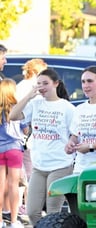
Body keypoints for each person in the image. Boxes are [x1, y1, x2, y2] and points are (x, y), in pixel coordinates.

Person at [9, 69, 75, 226]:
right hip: (39, 166)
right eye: (38, 84)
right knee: (32, 212)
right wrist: (28, 96)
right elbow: (13, 116)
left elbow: (75, 133)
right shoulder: (35, 104)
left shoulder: (67, 107)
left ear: (56, 84)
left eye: (45, 83)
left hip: (60, 165)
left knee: (53, 211)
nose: (41, 87)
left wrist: (71, 142)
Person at [15, 58, 48, 216]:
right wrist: (26, 129)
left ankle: (24, 206)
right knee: (30, 173)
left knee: (25, 174)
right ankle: (28, 207)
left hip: (22, 136)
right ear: (35, 72)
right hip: (26, 136)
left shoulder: (21, 85)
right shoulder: (31, 88)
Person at [0, 79, 26, 228]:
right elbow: (25, 129)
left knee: (0, 185)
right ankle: (14, 221)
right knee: (13, 186)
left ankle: (0, 221)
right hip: (14, 150)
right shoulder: (17, 108)